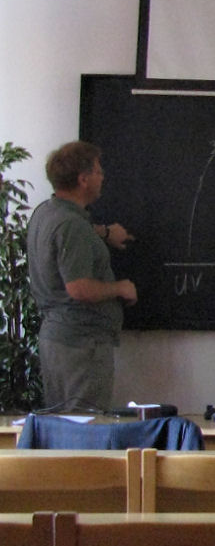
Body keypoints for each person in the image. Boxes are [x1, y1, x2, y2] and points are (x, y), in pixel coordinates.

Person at [25, 140, 137, 411]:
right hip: (81, 345)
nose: (103, 177)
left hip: (60, 340)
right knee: (83, 424)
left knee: (63, 421)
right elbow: (79, 288)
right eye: (98, 171)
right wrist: (120, 288)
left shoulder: (46, 212)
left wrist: (105, 233)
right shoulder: (71, 225)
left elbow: (74, 233)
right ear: (83, 179)